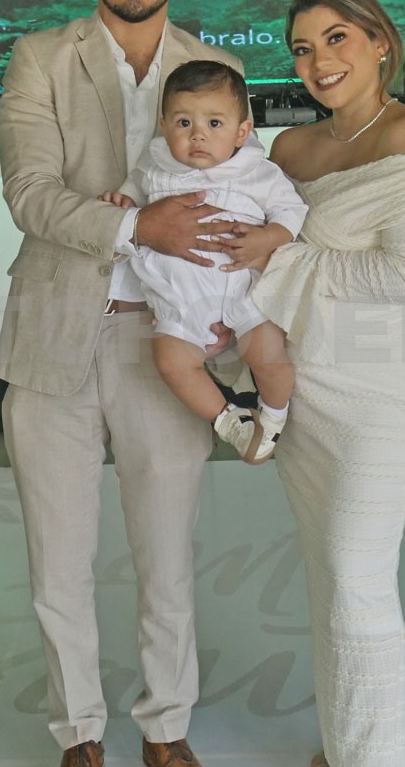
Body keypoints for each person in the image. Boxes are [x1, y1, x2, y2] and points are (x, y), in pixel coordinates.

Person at [0, 0, 240, 767]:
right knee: (57, 564)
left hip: (167, 344)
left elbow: (235, 193)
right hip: (54, 334)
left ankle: (167, 729)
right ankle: (79, 739)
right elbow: (30, 193)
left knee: (166, 557)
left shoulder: (214, 66)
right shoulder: (40, 58)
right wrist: (140, 227)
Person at [223, 0, 405, 767]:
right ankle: (350, 732)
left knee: (357, 572)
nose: (318, 61)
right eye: (301, 47)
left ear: (379, 41)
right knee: (330, 569)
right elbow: (230, 223)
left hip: (379, 392)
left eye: (335, 39)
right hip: (303, 385)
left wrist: (282, 258)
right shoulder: (290, 149)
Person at [99, 59, 308, 465]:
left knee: (271, 359)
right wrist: (122, 202)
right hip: (180, 297)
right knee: (171, 363)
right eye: (183, 123)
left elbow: (291, 212)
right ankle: (229, 420)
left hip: (245, 288)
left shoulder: (257, 171)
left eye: (214, 123)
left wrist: (266, 237)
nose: (198, 135)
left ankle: (272, 418)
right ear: (164, 127)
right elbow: (132, 198)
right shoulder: (153, 167)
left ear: (242, 132)